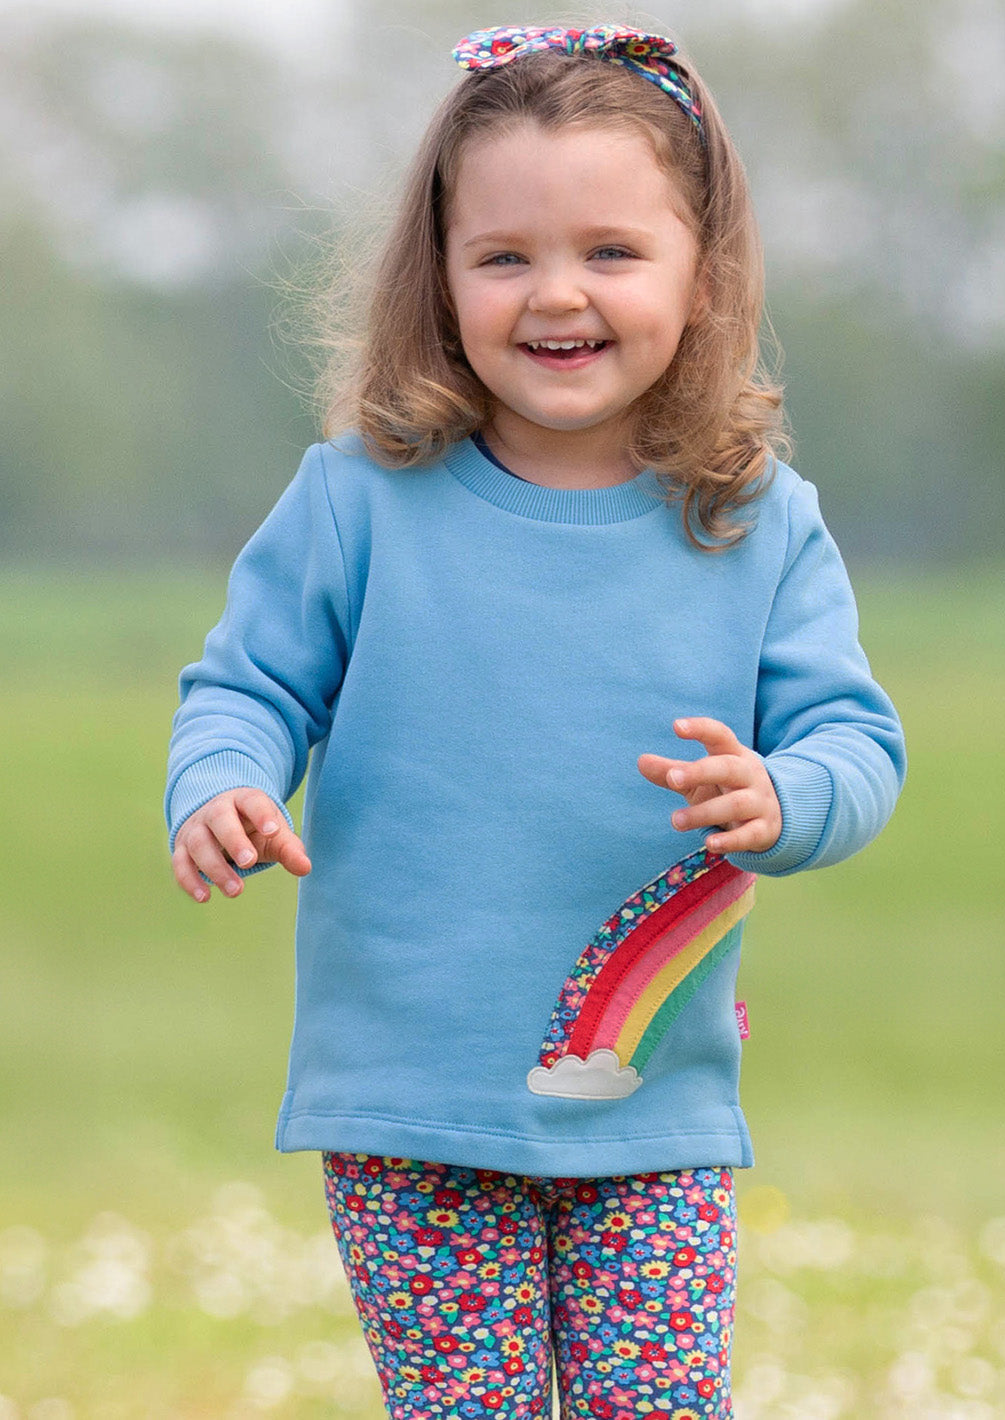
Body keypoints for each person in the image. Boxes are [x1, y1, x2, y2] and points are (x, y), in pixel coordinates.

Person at [165, 23, 905, 1420]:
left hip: (651, 1105)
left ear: (704, 272)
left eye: (610, 252)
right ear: (437, 282)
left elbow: (855, 742)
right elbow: (246, 689)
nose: (554, 292)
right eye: (502, 255)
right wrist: (221, 782)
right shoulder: (356, 502)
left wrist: (788, 795)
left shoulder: (754, 523)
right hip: (410, 1098)